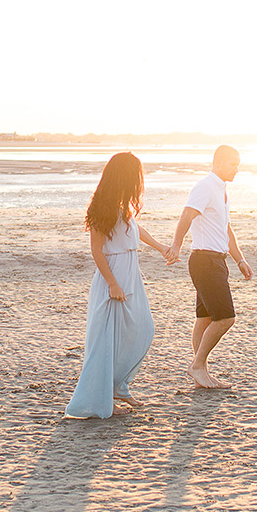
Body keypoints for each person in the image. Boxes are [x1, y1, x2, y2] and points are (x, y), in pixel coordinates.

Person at [64, 152, 175, 419]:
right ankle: (104, 396)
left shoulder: (123, 206)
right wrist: (112, 284)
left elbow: (136, 230)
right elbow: (97, 250)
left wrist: (161, 247)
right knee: (106, 340)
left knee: (141, 328)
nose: (140, 182)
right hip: (112, 278)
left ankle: (118, 385)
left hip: (130, 274)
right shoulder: (102, 206)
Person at [165, 145, 251, 389]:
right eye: (233, 164)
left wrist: (240, 259)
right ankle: (197, 366)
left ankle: (200, 369)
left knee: (204, 318)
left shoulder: (222, 190)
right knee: (226, 318)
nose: (237, 169)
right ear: (219, 162)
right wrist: (176, 245)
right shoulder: (205, 186)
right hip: (205, 261)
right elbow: (187, 215)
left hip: (217, 260)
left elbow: (226, 229)